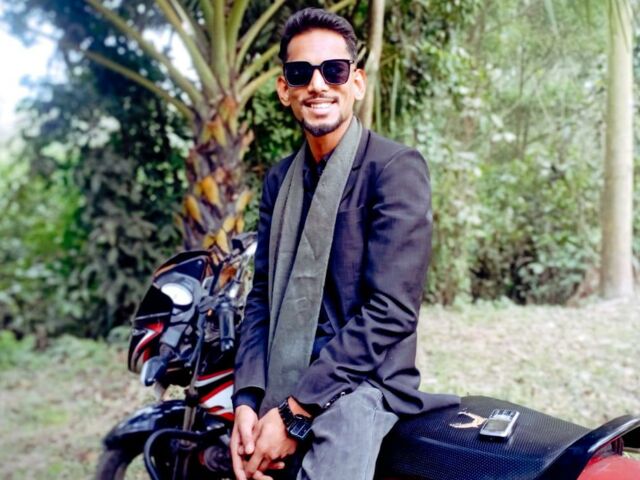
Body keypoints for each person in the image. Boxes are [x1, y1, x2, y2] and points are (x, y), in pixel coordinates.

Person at [230, 8, 459, 480]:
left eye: (333, 70)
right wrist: (247, 401)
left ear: (356, 82)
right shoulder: (279, 180)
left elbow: (391, 311)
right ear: (284, 89)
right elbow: (262, 297)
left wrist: (295, 411)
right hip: (282, 378)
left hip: (363, 385)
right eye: (301, 73)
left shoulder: (393, 169)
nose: (317, 84)